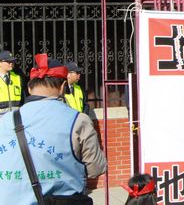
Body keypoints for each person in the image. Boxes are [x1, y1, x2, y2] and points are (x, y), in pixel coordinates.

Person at [0, 53, 107, 204]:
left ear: (29, 88)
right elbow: (96, 168)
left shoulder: (5, 121)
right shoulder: (79, 120)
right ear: (63, 87)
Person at [0, 50, 26, 117]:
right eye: (8, 61)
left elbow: (23, 97)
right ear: (0, 63)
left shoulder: (18, 77)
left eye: (12, 61)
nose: (11, 63)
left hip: (16, 118)